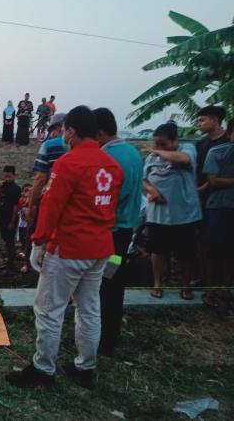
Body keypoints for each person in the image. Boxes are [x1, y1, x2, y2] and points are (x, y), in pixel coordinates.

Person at [6, 105, 123, 390]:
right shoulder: (112, 165)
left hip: (69, 248)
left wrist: (39, 241)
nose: (63, 137)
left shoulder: (68, 164)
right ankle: (85, 366)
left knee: (49, 309)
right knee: (89, 308)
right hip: (100, 248)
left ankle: (43, 369)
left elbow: (51, 207)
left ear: (70, 130)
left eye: (64, 132)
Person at [94, 108, 143, 356]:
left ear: (100, 133)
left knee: (106, 283)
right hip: (125, 233)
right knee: (114, 281)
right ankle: (109, 333)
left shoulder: (109, 159)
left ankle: (104, 339)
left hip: (109, 234)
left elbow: (108, 200)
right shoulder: (133, 152)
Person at [144, 122, 202, 300]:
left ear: (175, 141)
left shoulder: (187, 149)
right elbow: (143, 179)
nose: (159, 147)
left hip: (184, 215)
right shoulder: (151, 159)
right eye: (157, 143)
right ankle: (157, 284)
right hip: (158, 215)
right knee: (157, 251)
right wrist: (152, 190)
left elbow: (184, 160)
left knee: (185, 253)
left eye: (164, 143)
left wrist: (157, 151)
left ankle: (185, 286)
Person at [201, 118, 234, 307]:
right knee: (213, 249)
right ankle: (210, 289)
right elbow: (213, 181)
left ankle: (227, 287)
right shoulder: (217, 152)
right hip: (219, 207)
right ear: (230, 134)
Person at [0, 165, 21, 270]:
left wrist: (12, 221)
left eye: (9, 174)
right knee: (5, 238)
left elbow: (16, 206)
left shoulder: (16, 188)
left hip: (10, 216)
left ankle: (11, 263)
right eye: (5, 173)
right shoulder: (2, 186)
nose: (7, 176)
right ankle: (8, 261)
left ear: (14, 175)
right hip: (2, 215)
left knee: (10, 240)